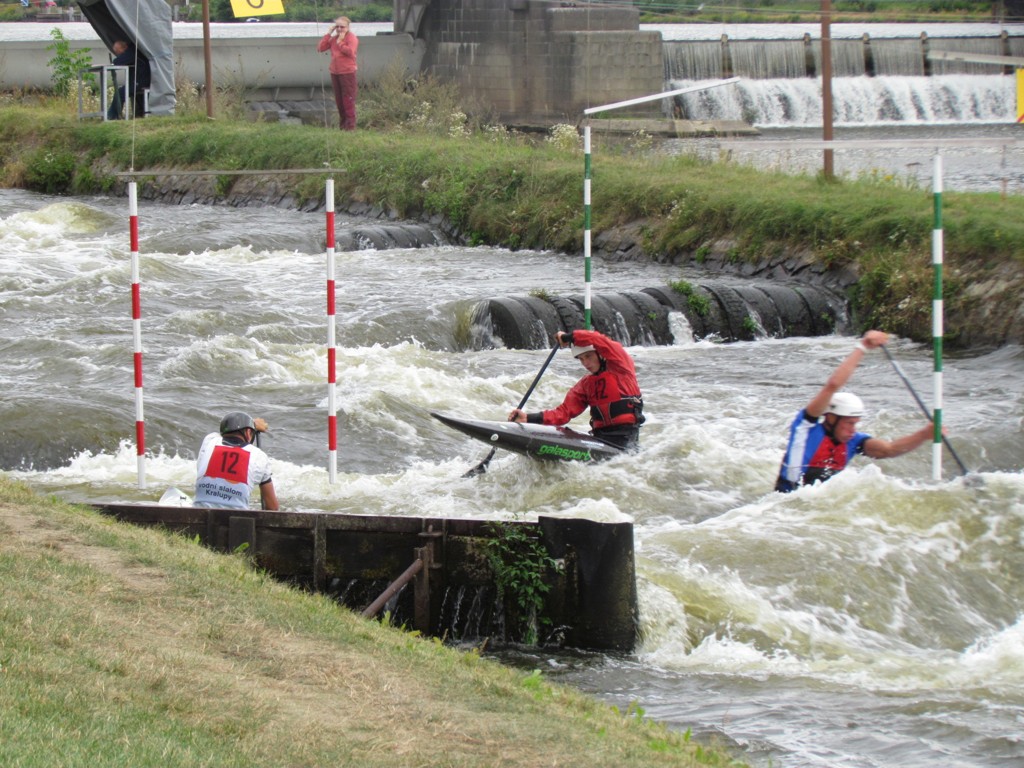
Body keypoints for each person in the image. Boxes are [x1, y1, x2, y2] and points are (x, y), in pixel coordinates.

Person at [775, 330, 939, 493]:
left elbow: (889, 449)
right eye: (849, 423)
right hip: (785, 499)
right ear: (831, 418)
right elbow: (832, 386)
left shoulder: (853, 442)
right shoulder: (805, 428)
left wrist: (924, 434)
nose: (853, 430)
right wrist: (863, 347)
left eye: (855, 424)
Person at [509, 329, 645, 450]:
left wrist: (569, 337)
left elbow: (598, 339)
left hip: (626, 439)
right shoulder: (586, 384)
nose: (585, 363)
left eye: (588, 356)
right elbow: (563, 413)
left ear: (601, 354)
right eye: (581, 359)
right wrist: (528, 418)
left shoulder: (622, 368)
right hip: (600, 438)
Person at [194, 412, 279, 510]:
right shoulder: (260, 456)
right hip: (238, 521)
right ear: (247, 433)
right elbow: (273, 508)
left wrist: (252, 424)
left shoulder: (209, 441)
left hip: (201, 515)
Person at [316, 16, 359, 131]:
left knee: (348, 100)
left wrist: (341, 43)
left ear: (348, 27)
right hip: (335, 72)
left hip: (347, 72)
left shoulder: (351, 38)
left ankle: (350, 127)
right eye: (337, 27)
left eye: (342, 27)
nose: (339, 29)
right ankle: (343, 126)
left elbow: (350, 52)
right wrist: (328, 33)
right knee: (339, 101)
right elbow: (320, 48)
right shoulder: (334, 38)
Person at [107, 40, 150, 120]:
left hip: (142, 80)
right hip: (141, 80)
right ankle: (114, 114)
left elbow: (118, 61)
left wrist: (116, 60)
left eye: (119, 52)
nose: (118, 55)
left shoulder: (131, 52)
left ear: (125, 47)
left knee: (121, 92)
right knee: (124, 91)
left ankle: (112, 116)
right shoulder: (133, 50)